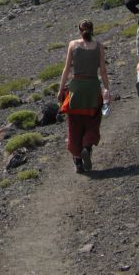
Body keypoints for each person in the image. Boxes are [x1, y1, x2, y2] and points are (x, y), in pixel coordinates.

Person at [57, 20, 111, 173]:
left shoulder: (73, 45)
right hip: (93, 88)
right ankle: (86, 147)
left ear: (79, 30)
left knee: (74, 125)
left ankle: (78, 162)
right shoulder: (99, 46)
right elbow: (103, 71)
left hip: (76, 89)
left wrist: (61, 89)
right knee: (93, 122)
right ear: (93, 30)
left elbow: (67, 69)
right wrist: (107, 89)